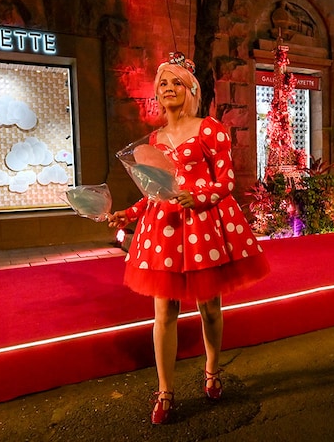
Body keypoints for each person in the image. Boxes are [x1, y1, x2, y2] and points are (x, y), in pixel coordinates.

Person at [108, 52, 270, 425]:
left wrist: (198, 195)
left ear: (190, 89)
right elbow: (152, 190)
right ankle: (165, 391)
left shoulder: (210, 129)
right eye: (163, 83)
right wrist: (129, 214)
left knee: (209, 306)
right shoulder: (153, 139)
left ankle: (212, 368)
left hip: (202, 226)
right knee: (163, 311)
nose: (168, 88)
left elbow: (227, 181)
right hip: (164, 229)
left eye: (175, 82)